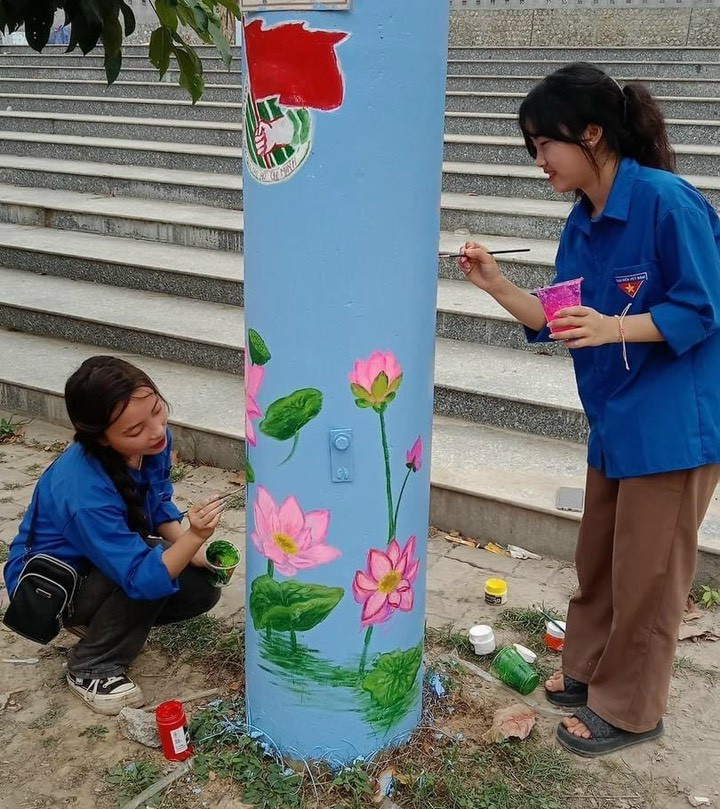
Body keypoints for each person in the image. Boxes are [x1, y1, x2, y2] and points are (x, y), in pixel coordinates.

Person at [459, 62, 720, 757]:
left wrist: (616, 326)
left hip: (673, 426)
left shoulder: (668, 202)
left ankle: (633, 708)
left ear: (595, 134)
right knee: (600, 558)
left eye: (546, 143)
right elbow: (555, 319)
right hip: (613, 418)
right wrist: (494, 283)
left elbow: (703, 306)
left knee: (650, 573)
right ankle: (586, 669)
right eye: (533, 147)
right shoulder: (583, 223)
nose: (539, 160)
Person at [3, 356, 226, 715]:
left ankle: (104, 626)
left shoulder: (151, 443)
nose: (155, 431)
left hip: (102, 561)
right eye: (135, 430)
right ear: (102, 439)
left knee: (200, 586)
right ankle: (92, 666)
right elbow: (142, 576)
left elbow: (158, 504)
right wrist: (194, 536)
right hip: (49, 587)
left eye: (157, 409)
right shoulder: (83, 492)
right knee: (154, 563)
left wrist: (196, 553)